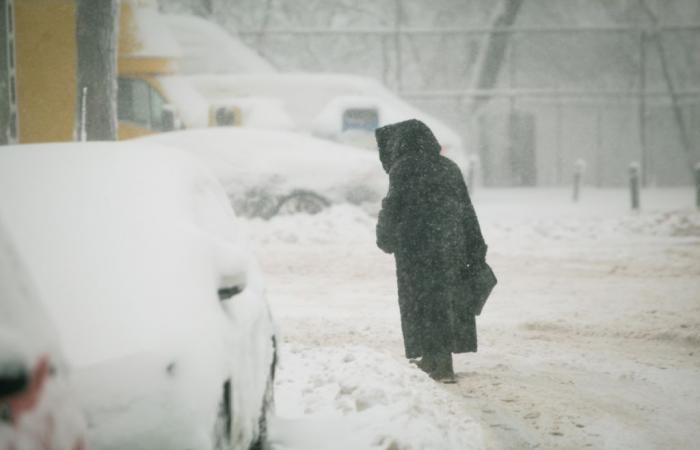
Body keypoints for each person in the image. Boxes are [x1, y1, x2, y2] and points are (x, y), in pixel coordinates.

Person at [375, 119, 487, 383]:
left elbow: (393, 206)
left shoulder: (403, 168)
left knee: (420, 304)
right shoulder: (449, 168)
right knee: (444, 301)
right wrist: (475, 246)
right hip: (451, 245)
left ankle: (434, 361)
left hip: (416, 248)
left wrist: (385, 237)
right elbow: (466, 209)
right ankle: (441, 359)